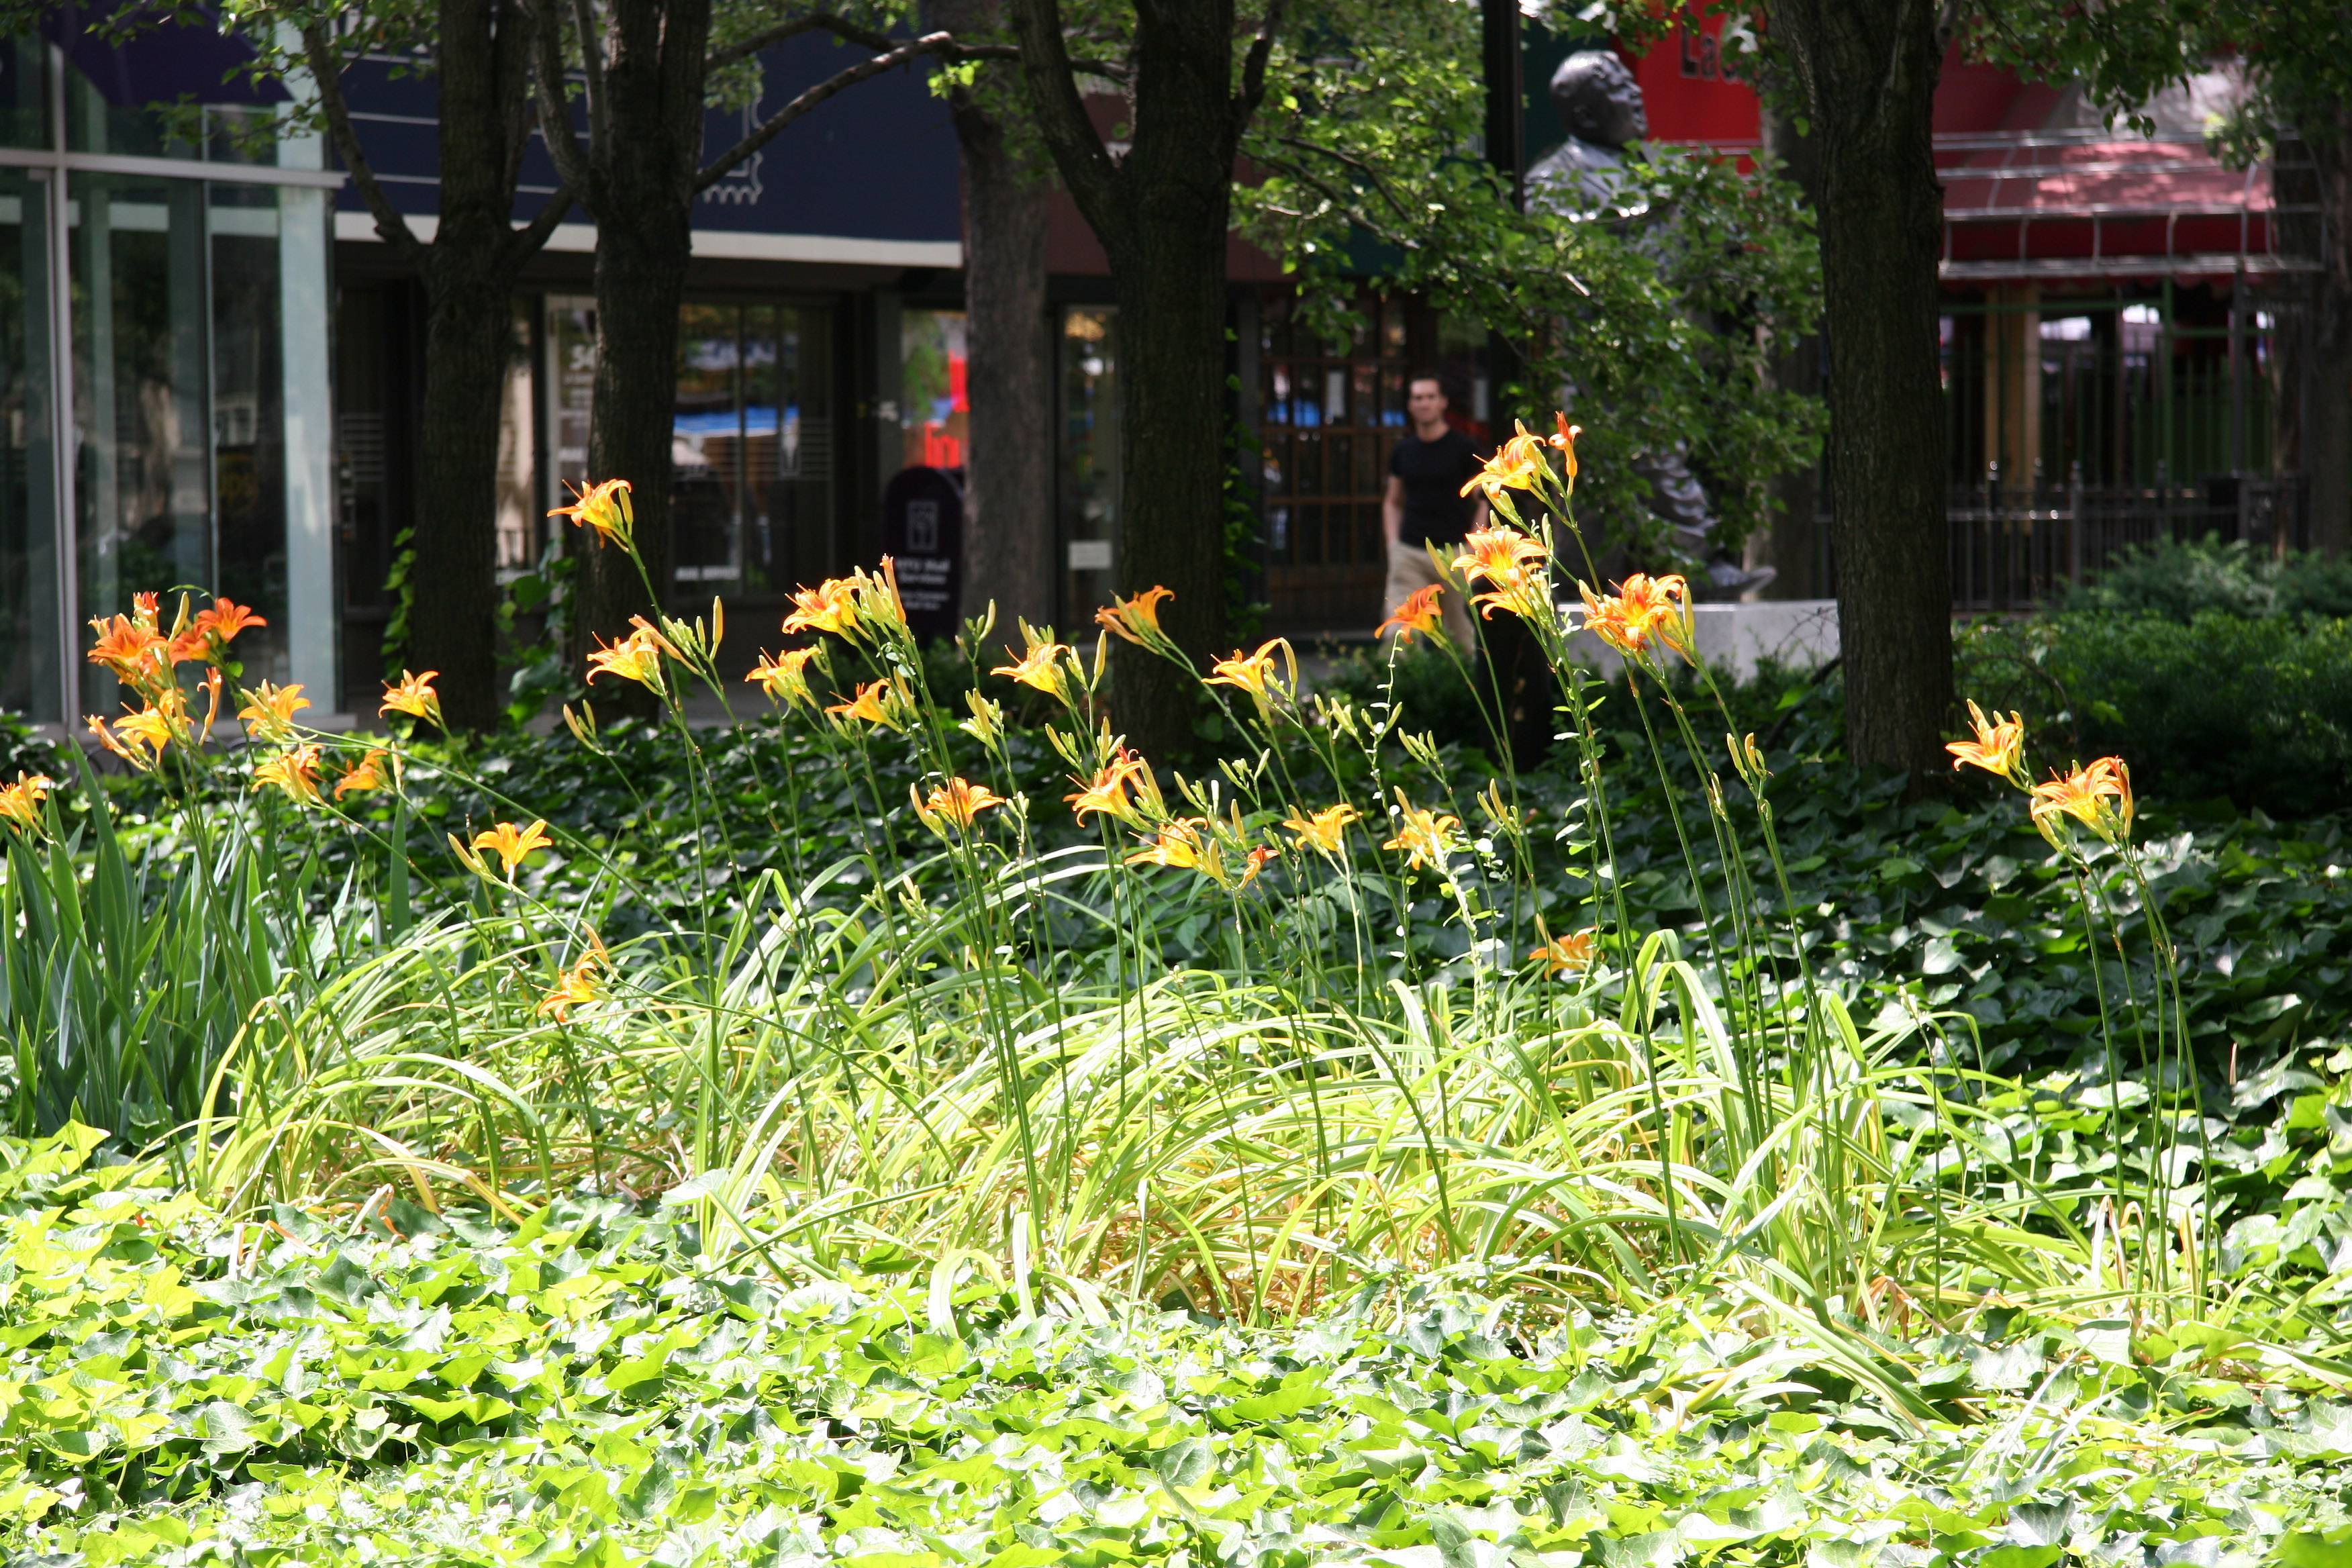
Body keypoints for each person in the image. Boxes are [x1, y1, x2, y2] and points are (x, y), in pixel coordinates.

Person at [1379, 375, 1483, 652]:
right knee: (1399, 631)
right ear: (1410, 406)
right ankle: (1401, 690)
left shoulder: (1464, 448)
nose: (1424, 403)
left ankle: (1466, 692)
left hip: (1455, 553)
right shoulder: (1403, 451)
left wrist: (1476, 544)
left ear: (1442, 403)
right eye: (1417, 398)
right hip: (1411, 551)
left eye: (1430, 397)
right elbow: (1392, 501)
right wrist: (1393, 545)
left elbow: (1484, 498)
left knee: (1463, 633)